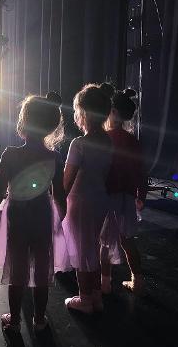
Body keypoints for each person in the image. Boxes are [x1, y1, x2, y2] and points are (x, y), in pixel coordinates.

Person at [0, 92, 67, 332]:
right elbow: (60, 194)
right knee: (42, 268)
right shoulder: (53, 156)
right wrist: (59, 220)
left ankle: (13, 321)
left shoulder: (10, 154)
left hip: (18, 217)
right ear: (51, 126)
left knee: (18, 268)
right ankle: (40, 320)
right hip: (43, 215)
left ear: (24, 121)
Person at [63, 83, 112, 314]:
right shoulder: (108, 142)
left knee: (81, 252)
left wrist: (55, 200)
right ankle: (95, 296)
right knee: (91, 247)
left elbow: (67, 181)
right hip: (100, 200)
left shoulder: (79, 144)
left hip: (80, 202)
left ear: (82, 112)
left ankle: (85, 299)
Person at [100, 84, 147, 294]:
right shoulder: (133, 141)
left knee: (104, 242)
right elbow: (141, 172)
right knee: (127, 240)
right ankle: (137, 281)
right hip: (127, 198)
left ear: (112, 112)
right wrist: (141, 196)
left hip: (107, 196)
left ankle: (105, 284)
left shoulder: (104, 139)